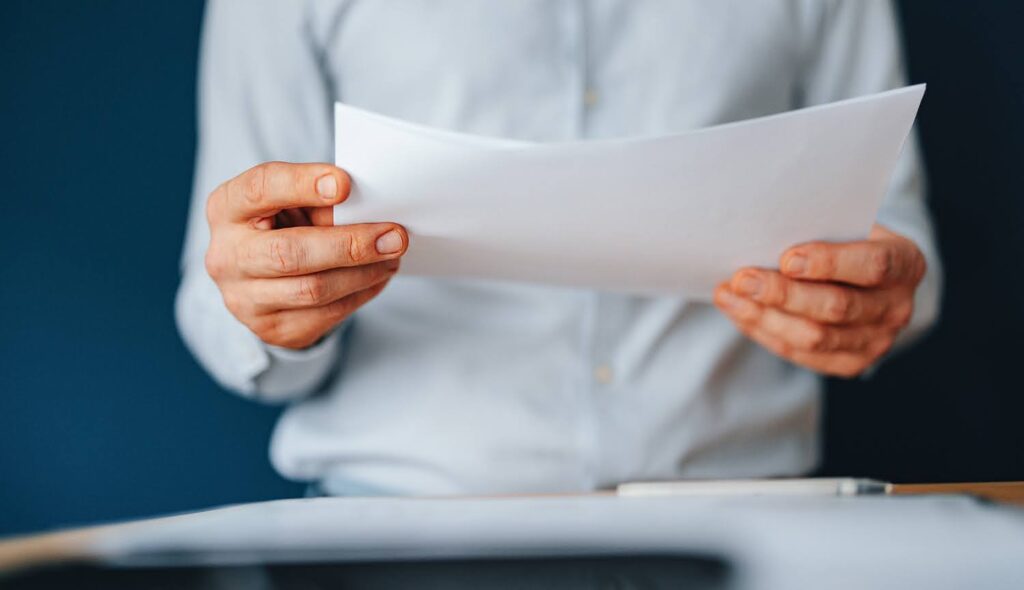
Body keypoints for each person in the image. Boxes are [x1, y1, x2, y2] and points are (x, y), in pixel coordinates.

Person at [176, 0, 941, 496]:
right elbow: (221, 285)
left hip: (752, 508)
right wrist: (269, 307)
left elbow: (897, 236)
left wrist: (874, 301)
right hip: (395, 524)